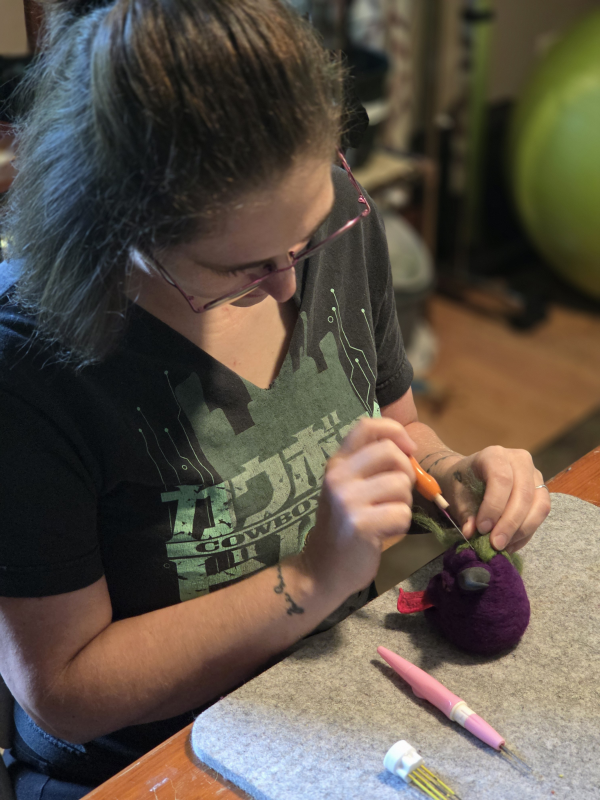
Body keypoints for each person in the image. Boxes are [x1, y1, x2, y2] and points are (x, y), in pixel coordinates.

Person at [0, 1, 551, 797]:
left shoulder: (315, 216)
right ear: (114, 227)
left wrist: (446, 469)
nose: (293, 282)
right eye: (242, 269)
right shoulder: (30, 369)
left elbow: (393, 426)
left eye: (310, 236)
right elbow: (65, 693)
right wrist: (312, 577)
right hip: (152, 762)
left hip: (330, 692)